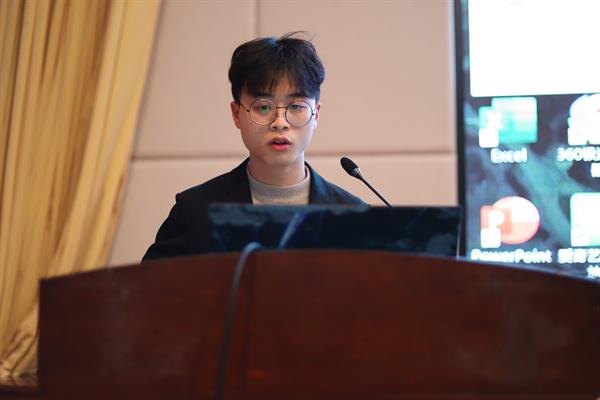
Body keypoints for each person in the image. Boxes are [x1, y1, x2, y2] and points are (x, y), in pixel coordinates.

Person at [142, 32, 363, 261]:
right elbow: (149, 283)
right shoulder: (195, 211)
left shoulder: (352, 217)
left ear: (316, 114)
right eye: (263, 107)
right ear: (236, 114)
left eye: (296, 106)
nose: (280, 122)